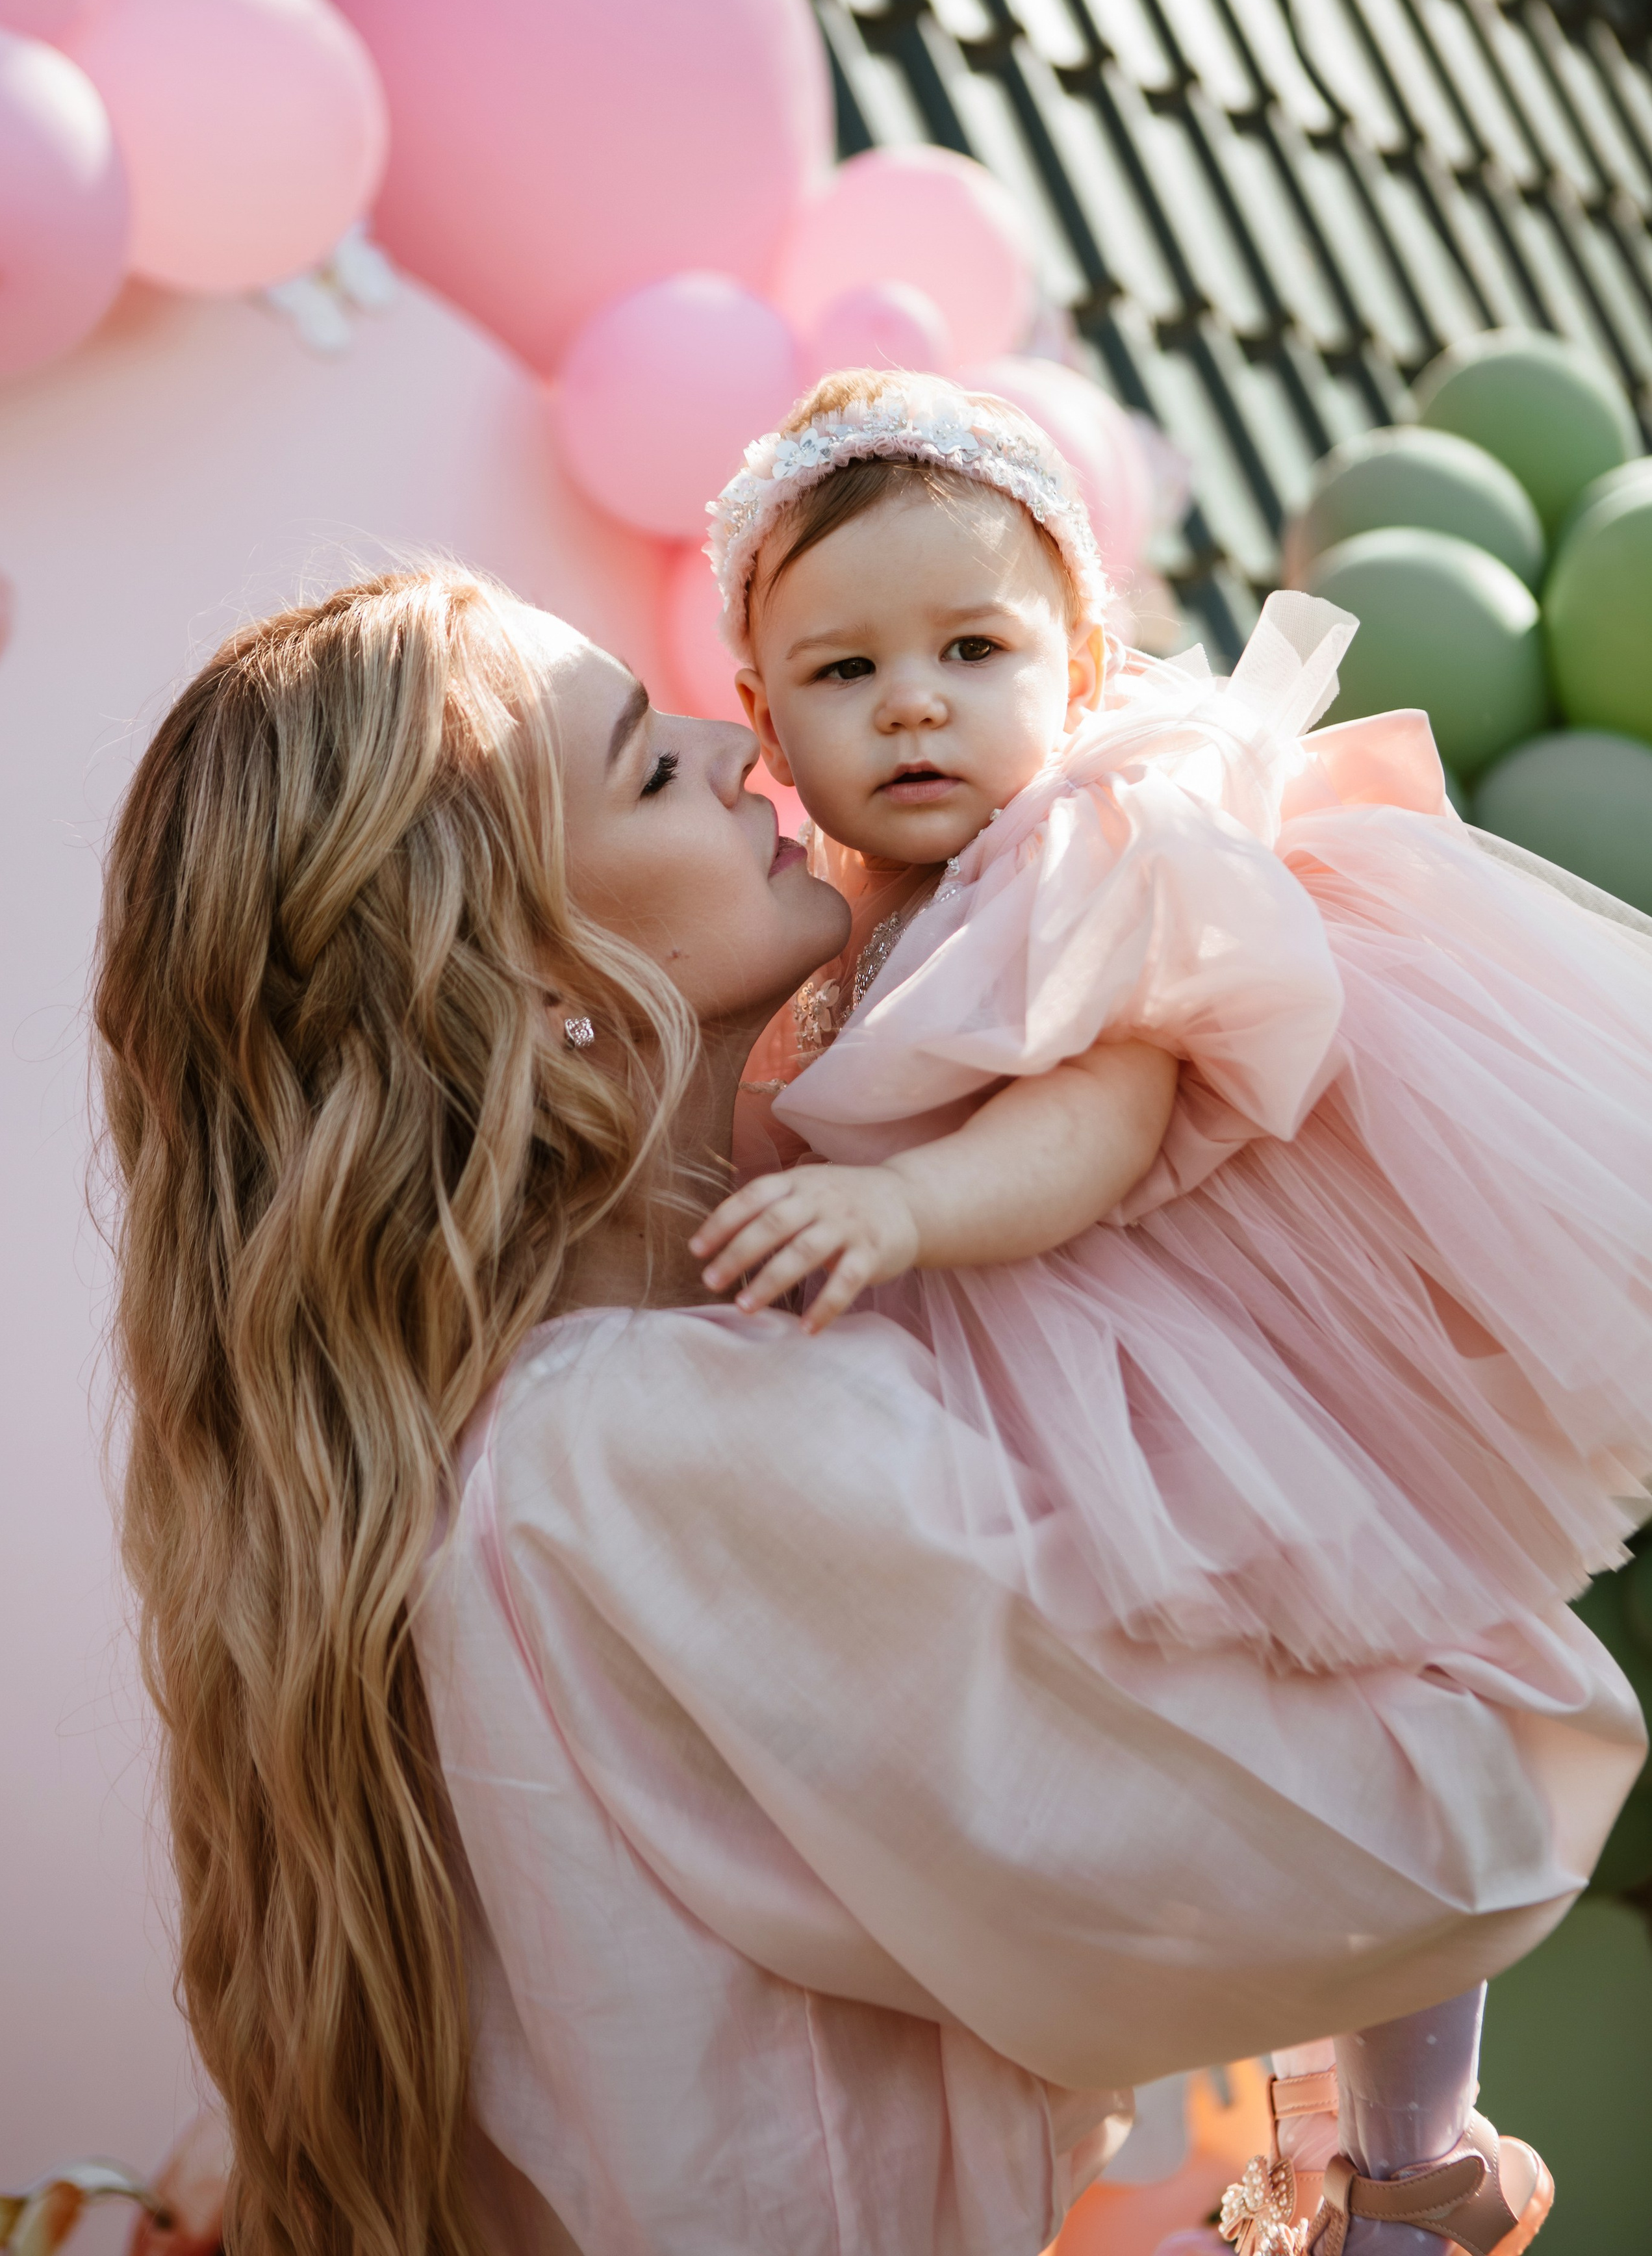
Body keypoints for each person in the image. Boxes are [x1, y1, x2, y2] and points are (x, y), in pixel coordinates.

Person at [94, 570, 1642, 2256]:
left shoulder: (524, 1436)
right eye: (643, 768)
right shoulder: (640, 1445)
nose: (725, 741)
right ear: (536, 990)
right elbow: (1438, 1847)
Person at [691, 370, 1652, 2252]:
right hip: (1017, 1362)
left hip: (1185, 1341)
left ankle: (1411, 2145)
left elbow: (1101, 1113)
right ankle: (1315, 2143)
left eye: (973, 646)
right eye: (843, 670)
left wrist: (900, 1203)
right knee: (1206, 1768)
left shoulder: (1092, 846)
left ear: (1080, 655)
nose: (912, 701)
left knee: (1361, 1692)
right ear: (762, 721)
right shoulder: (822, 933)